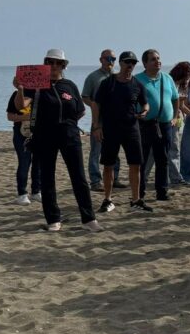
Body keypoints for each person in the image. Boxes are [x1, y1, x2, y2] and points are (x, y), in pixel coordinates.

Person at [13, 49, 102, 232]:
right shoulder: (35, 85)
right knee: (47, 179)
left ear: (63, 66)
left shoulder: (69, 85)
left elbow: (80, 110)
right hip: (44, 136)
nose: (54, 66)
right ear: (45, 63)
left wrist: (69, 124)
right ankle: (53, 220)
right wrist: (20, 90)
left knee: (79, 178)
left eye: (58, 63)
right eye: (50, 62)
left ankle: (88, 218)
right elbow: (21, 106)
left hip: (69, 135)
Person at [91, 51, 150, 214]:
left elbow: (145, 104)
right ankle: (108, 200)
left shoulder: (137, 84)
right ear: (121, 63)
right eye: (127, 62)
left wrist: (144, 111)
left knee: (136, 164)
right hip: (110, 129)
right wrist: (96, 126)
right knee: (108, 165)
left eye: (133, 62)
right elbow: (96, 104)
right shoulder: (108, 83)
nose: (130, 65)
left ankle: (136, 200)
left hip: (132, 129)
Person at [136, 49, 179, 203]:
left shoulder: (167, 78)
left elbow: (175, 98)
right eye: (153, 59)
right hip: (145, 125)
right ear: (145, 63)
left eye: (158, 58)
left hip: (165, 125)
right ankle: (139, 193)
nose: (157, 61)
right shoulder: (137, 80)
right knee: (142, 160)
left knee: (163, 159)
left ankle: (162, 192)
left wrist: (175, 117)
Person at [82, 49, 123, 191]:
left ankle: (115, 178)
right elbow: (85, 96)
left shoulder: (118, 77)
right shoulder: (93, 77)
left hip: (115, 120)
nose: (110, 61)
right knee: (96, 151)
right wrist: (94, 106)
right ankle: (95, 181)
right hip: (98, 120)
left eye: (113, 59)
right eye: (107, 58)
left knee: (115, 150)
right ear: (101, 60)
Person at [6, 88, 41, 206]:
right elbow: (10, 116)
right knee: (24, 162)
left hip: (40, 133)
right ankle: (22, 194)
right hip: (21, 133)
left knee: (38, 162)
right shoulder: (17, 94)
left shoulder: (43, 93)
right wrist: (26, 117)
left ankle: (36, 191)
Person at [165, 61, 190, 185]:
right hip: (169, 118)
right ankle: (175, 177)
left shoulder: (178, 84)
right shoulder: (170, 82)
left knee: (173, 148)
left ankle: (175, 176)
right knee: (172, 148)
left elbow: (180, 105)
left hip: (176, 118)